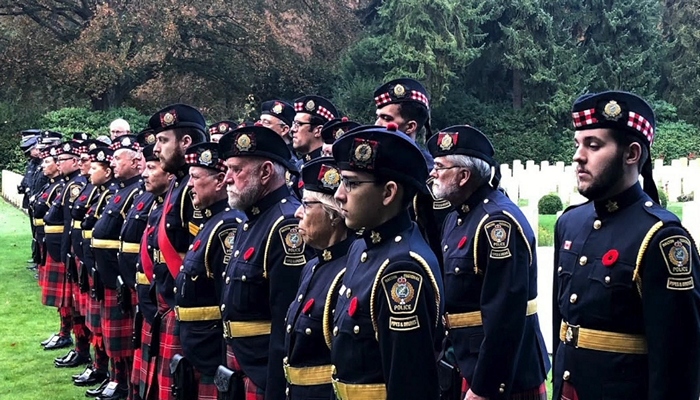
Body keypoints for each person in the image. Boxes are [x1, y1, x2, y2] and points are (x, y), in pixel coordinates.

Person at [552, 91, 700, 400]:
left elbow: (677, 363)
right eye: (577, 144)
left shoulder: (661, 237)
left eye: (593, 145)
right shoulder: (570, 223)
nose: (578, 156)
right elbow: (563, 326)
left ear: (631, 154)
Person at [427, 126, 550, 400]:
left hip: (500, 375)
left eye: (439, 167)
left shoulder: (497, 223)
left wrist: (486, 386)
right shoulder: (456, 217)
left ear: (463, 176)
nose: (432, 174)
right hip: (465, 360)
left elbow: (506, 314)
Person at [329, 123, 444, 400]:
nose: (339, 195)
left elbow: (410, 386)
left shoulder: (402, 269)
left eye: (352, 184)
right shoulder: (362, 247)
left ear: (388, 192)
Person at [217, 124, 313, 399]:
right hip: (241, 362)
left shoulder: (285, 225)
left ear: (266, 172)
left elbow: (286, 322)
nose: (227, 179)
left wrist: (275, 389)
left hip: (262, 371)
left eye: (237, 170)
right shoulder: (252, 219)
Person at [172, 142, 243, 400]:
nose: (189, 185)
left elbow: (226, 298)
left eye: (195, 178)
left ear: (219, 181)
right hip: (197, 341)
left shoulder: (227, 226)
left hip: (211, 346)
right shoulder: (211, 221)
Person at [149, 104, 209, 400]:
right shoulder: (179, 185)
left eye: (163, 141)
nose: (156, 148)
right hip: (169, 301)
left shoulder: (191, 189)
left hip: (184, 307)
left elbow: (196, 258)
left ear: (186, 143)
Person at [283, 157, 353, 399]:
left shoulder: (349, 272)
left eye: (306, 204)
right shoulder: (314, 264)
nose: (297, 212)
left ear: (333, 214)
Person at [373, 78, 451, 269]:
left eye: (387, 118)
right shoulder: (371, 166)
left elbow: (441, 239)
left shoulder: (429, 175)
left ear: (410, 127)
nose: (377, 123)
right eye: (378, 116)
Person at [91, 134, 143, 400]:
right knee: (112, 335)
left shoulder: (137, 191)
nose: (113, 163)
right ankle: (114, 377)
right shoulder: (120, 191)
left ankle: (122, 382)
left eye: (117, 158)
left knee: (123, 338)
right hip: (109, 271)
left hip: (123, 274)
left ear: (136, 162)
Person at [72, 146, 119, 396]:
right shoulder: (103, 191)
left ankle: (115, 376)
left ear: (108, 171)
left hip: (110, 270)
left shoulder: (115, 192)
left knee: (109, 329)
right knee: (96, 322)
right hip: (92, 262)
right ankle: (100, 367)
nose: (89, 172)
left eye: (94, 168)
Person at [133, 140, 173, 400]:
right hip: (149, 296)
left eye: (151, 167)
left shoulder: (177, 206)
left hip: (166, 304)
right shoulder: (156, 203)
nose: (144, 173)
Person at [18, 129, 43, 269]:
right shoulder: (33, 163)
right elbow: (29, 179)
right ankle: (36, 258)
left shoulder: (42, 163)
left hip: (40, 202)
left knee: (39, 232)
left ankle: (39, 261)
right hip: (33, 200)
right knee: (35, 231)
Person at [292, 95, 338, 163]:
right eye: (294, 123)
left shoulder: (330, 167)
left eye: (299, 124)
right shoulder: (298, 166)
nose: (292, 129)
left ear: (318, 131)